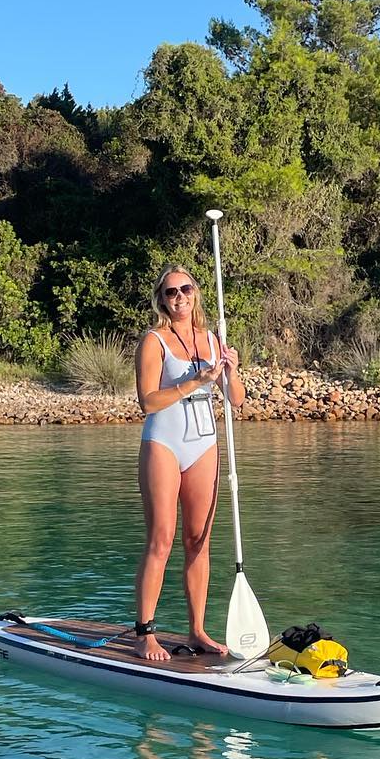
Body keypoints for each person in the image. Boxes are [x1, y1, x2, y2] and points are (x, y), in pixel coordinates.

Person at [133, 266, 245, 663]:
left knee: (198, 541)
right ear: (161, 300)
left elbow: (236, 400)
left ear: (196, 293)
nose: (179, 297)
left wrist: (229, 371)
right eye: (170, 292)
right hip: (164, 443)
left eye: (185, 289)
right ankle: (145, 632)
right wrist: (194, 382)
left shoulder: (214, 340)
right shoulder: (154, 340)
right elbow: (148, 401)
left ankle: (197, 630)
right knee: (161, 539)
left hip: (204, 445)